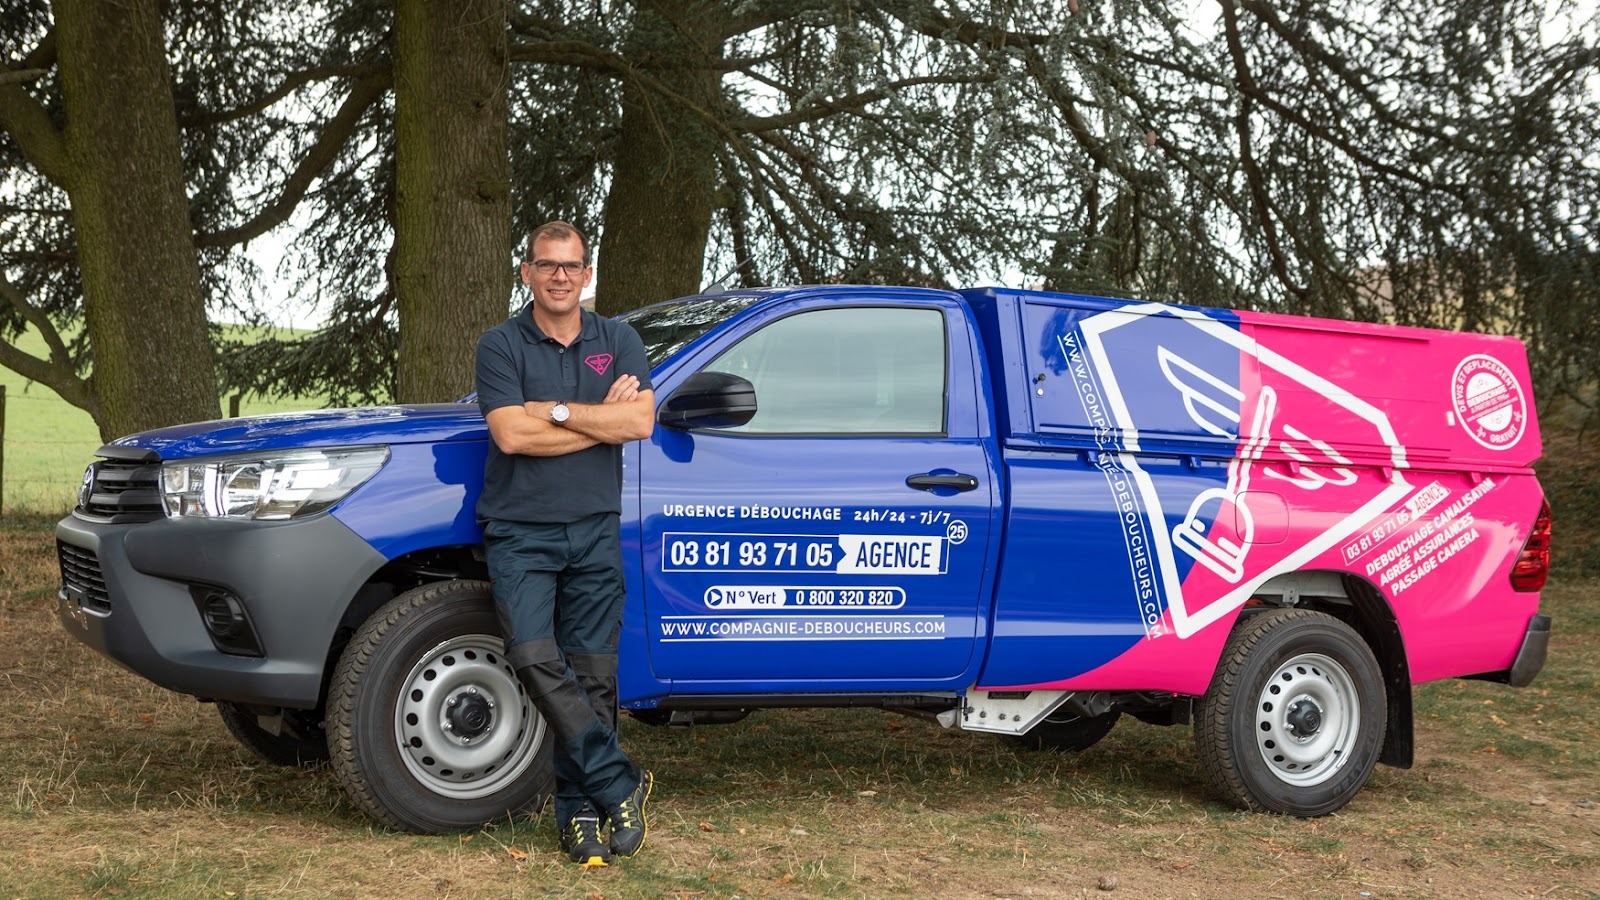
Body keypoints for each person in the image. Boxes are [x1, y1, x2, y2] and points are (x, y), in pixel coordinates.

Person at [473, 221, 655, 866]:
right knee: (531, 657)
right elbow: (511, 438)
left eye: (570, 266)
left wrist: (550, 410)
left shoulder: (618, 339)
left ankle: (579, 815)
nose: (559, 276)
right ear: (526, 273)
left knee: (594, 675)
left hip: (595, 527)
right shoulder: (500, 345)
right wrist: (595, 419)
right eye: (546, 265)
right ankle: (616, 780)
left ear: (587, 275)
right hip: (521, 529)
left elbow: (639, 420)